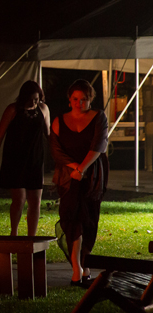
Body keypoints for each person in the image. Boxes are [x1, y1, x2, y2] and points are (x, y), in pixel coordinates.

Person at [50, 79, 108, 287]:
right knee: (71, 219)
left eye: (84, 99)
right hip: (68, 177)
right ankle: (78, 268)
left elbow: (99, 144)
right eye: (75, 99)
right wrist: (74, 167)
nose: (79, 103)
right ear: (69, 100)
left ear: (90, 100)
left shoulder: (98, 117)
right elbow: (56, 150)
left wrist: (82, 168)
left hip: (91, 176)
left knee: (88, 220)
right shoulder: (58, 121)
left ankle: (84, 266)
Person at [0, 80, 50, 236]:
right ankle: (14, 233)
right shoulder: (13, 110)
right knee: (19, 199)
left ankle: (31, 237)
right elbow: (0, 136)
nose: (34, 102)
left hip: (35, 159)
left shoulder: (43, 109)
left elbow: (49, 135)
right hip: (15, 160)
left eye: (36, 99)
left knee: (35, 201)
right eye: (31, 99)